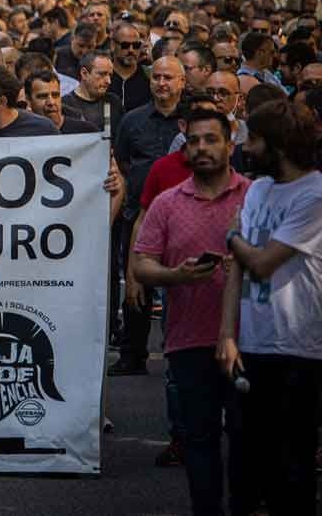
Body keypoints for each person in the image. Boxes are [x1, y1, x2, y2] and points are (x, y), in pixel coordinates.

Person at [131, 109, 250, 516]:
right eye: (194, 140)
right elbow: (141, 264)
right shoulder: (167, 203)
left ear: (229, 145)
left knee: (245, 437)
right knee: (199, 442)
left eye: (211, 139)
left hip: (248, 340)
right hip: (186, 341)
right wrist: (176, 276)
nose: (201, 148)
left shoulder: (253, 195)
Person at [218, 99, 322, 515]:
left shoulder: (314, 194)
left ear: (277, 146)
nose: (245, 145)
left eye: (254, 138)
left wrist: (232, 239)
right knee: (243, 469)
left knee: (290, 473)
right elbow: (237, 271)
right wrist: (227, 335)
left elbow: (260, 262)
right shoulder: (257, 189)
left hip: (297, 350)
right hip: (251, 346)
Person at [112, 56, 188, 376]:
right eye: (156, 77)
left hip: (183, 215)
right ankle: (133, 353)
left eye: (169, 77)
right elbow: (124, 162)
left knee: (182, 284)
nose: (161, 83)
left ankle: (182, 353)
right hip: (139, 212)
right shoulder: (132, 120)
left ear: (182, 82)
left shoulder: (191, 122)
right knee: (136, 284)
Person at [62, 51, 124, 135]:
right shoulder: (65, 104)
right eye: (102, 74)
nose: (108, 81)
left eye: (110, 75)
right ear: (84, 73)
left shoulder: (114, 102)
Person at [25, 71, 98, 134]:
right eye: (43, 96)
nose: (51, 102)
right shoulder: (21, 133)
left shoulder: (86, 131)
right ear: (28, 100)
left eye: (55, 95)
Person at [109, 23, 153, 112]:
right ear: (113, 46)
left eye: (136, 45)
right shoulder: (103, 75)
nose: (131, 50)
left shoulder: (150, 76)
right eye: (125, 45)